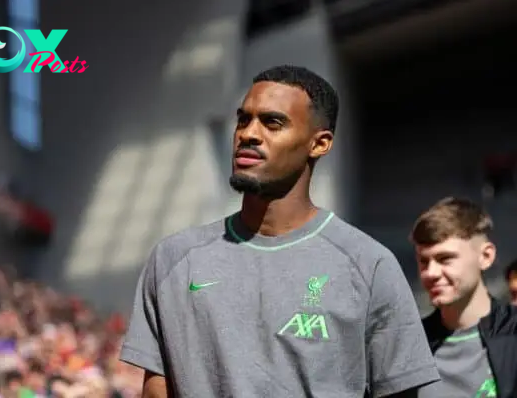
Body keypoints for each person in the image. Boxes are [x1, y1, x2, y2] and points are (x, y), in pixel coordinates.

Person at [120, 65, 439, 397]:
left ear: (320, 144)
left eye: (272, 123)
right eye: (243, 120)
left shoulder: (369, 265)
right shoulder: (174, 259)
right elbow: (156, 388)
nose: (248, 134)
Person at [411, 197, 517, 397]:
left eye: (445, 259)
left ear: (485, 257)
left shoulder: (512, 333)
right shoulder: (408, 346)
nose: (430, 273)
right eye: (424, 261)